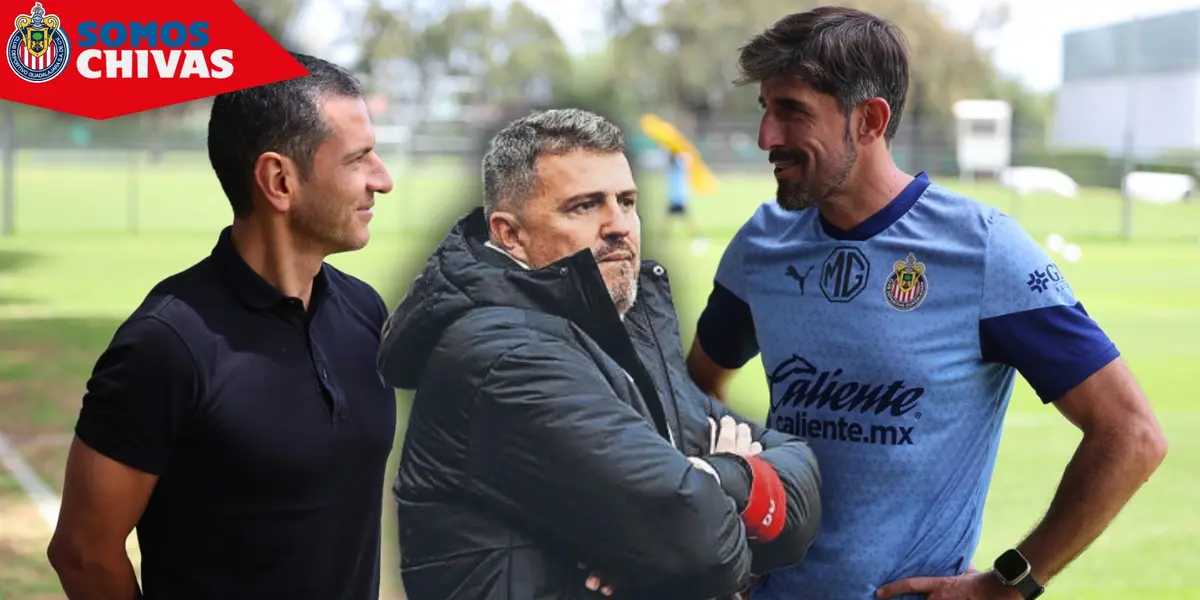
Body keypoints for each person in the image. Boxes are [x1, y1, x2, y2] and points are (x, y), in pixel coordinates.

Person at [685, 7, 1168, 600]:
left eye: (792, 111)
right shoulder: (762, 244)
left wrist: (1010, 582)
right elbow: (696, 391)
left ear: (869, 120)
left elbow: (1132, 435)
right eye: (766, 109)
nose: (767, 138)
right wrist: (727, 520)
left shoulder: (984, 252)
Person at [376, 108, 822, 600]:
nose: (619, 225)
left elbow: (802, 477)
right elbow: (703, 550)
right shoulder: (500, 356)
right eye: (584, 206)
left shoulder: (623, 330)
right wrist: (729, 485)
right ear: (509, 233)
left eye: (626, 201)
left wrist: (710, 482)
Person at [46, 53, 397, 600]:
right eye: (359, 159)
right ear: (279, 180)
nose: (384, 180)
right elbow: (83, 552)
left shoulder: (364, 313)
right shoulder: (167, 344)